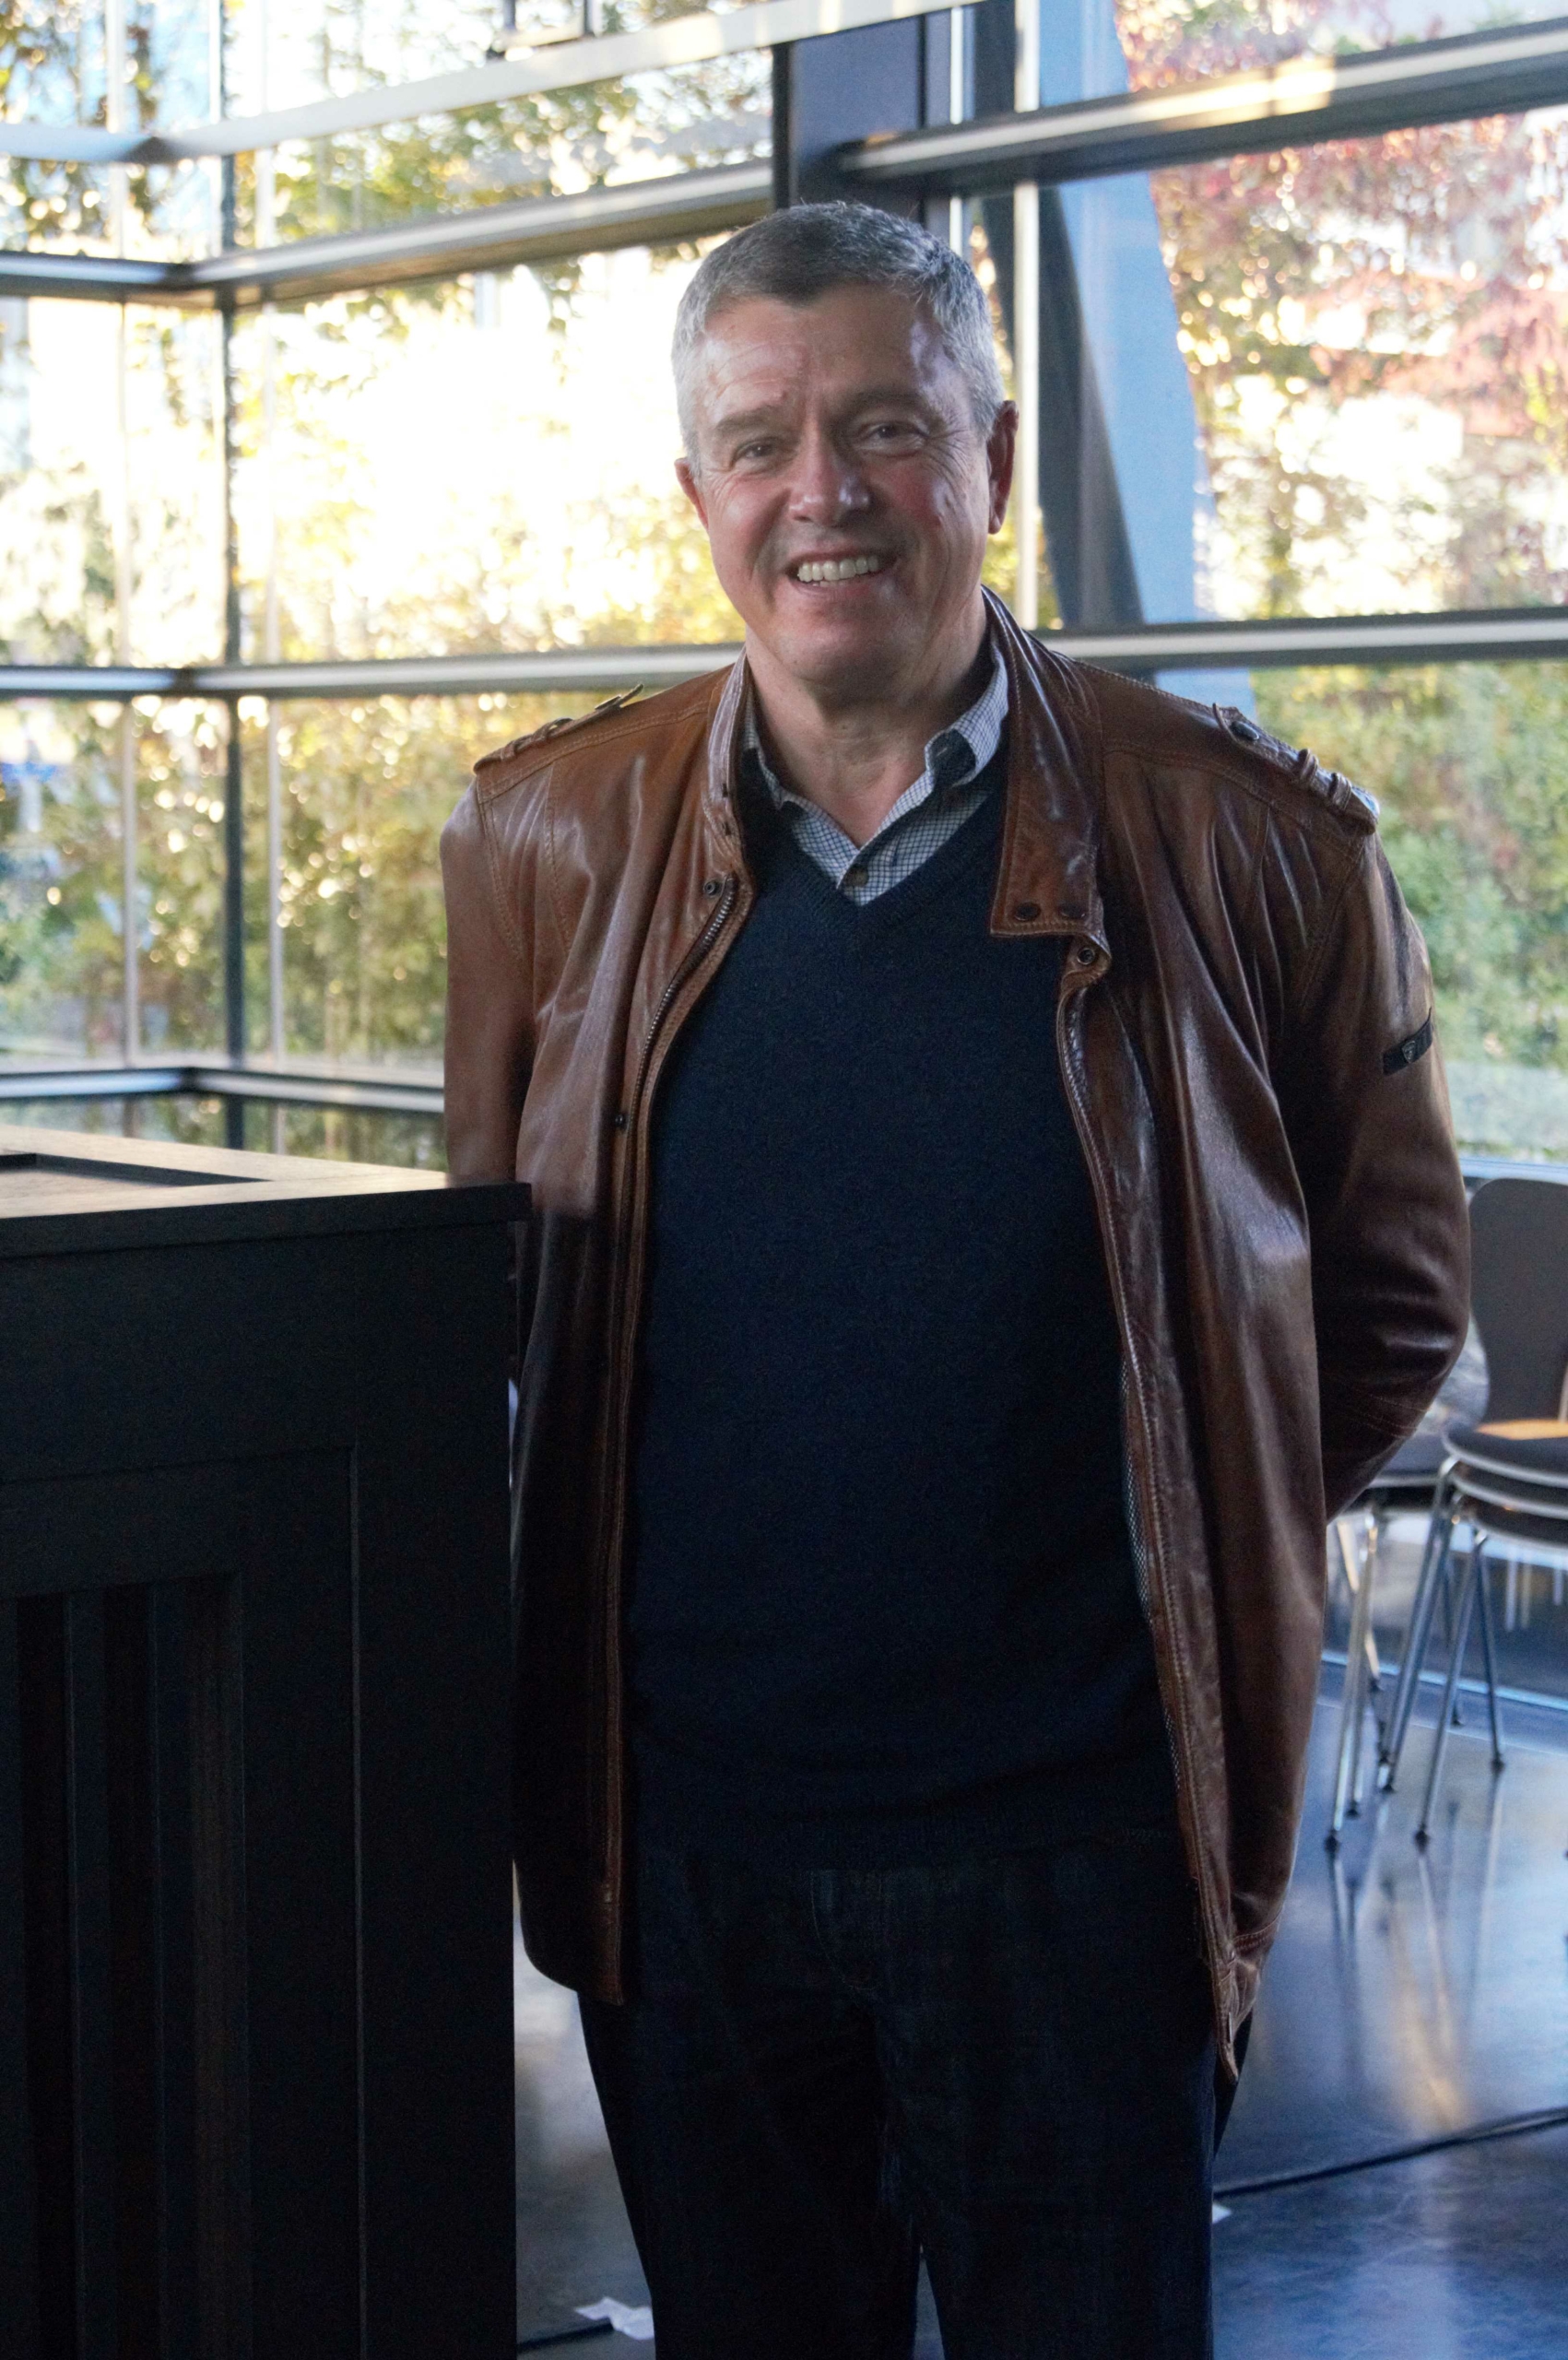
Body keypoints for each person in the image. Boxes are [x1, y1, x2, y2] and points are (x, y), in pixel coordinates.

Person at [442, 202, 1469, 2358]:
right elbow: (483, 1316)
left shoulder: (1254, 847)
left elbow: (1378, 1323)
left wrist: (1168, 1560)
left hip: (1076, 1859)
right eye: (762, 442)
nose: (822, 490)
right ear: (699, 492)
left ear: (989, 456)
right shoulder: (541, 842)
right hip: (680, 1860)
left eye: (885, 426)